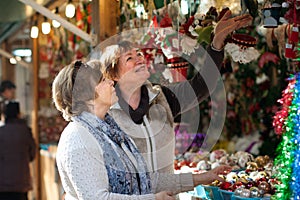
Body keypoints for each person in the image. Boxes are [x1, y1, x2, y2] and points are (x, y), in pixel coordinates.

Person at [91, 9, 252, 194]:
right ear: (113, 75)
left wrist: (216, 43)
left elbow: (201, 86)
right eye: (129, 58)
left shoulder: (162, 98)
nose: (139, 60)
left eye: (139, 55)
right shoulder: (107, 115)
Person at [52, 60, 231, 200]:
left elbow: (146, 180)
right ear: (87, 98)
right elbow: (96, 198)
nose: (110, 81)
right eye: (102, 81)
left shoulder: (109, 130)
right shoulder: (78, 138)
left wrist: (201, 178)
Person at [0, 101, 36, 200]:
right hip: (21, 183)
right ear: (18, 114)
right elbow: (32, 154)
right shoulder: (25, 131)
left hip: (2, 185)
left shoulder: (1, 131)